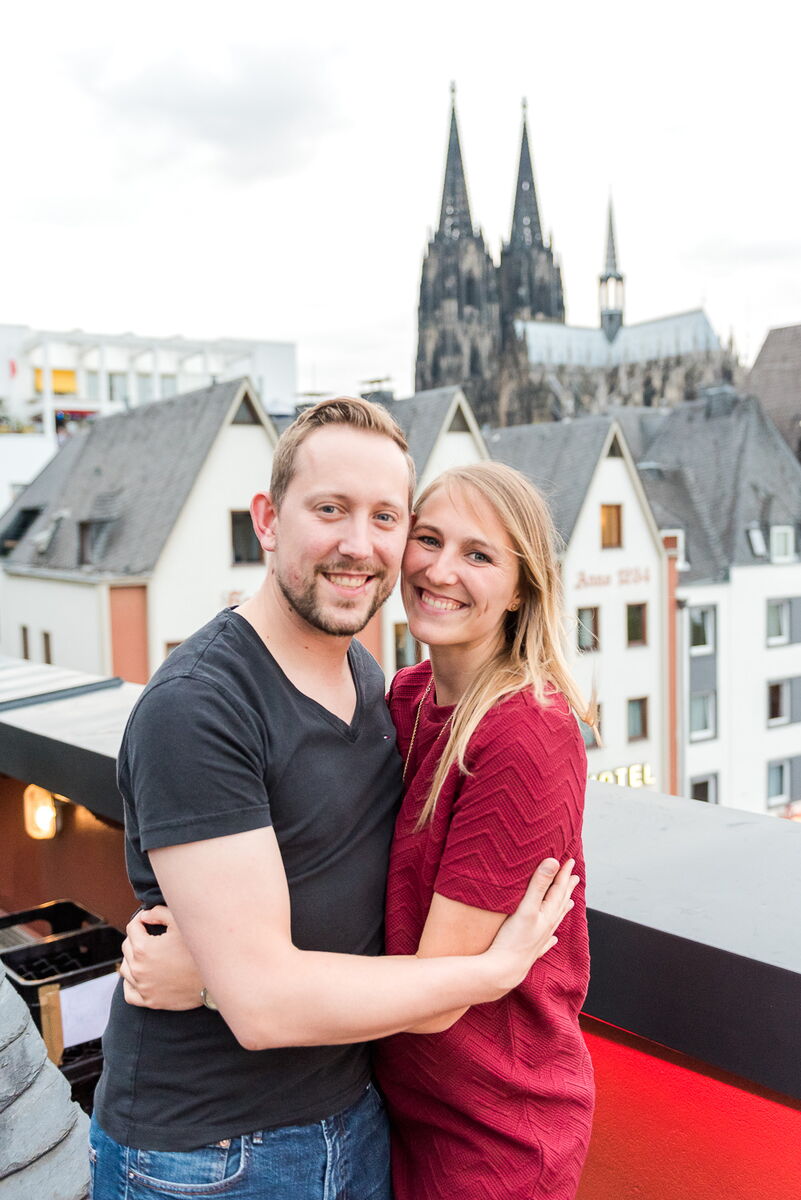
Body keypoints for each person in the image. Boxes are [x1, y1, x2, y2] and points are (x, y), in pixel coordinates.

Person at [90, 397, 578, 1200]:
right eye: (329, 509)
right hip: (214, 1151)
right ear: (267, 521)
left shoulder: (368, 681)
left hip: (358, 1117)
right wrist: (491, 972)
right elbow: (263, 1008)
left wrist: (209, 978)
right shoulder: (199, 706)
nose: (359, 544)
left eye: (385, 517)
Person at [374, 462, 595, 1199]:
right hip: (395, 1104)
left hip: (493, 1136)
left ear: (522, 588)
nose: (440, 570)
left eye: (478, 554)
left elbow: (435, 996)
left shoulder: (526, 732)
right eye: (429, 539)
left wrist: (225, 983)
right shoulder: (406, 698)